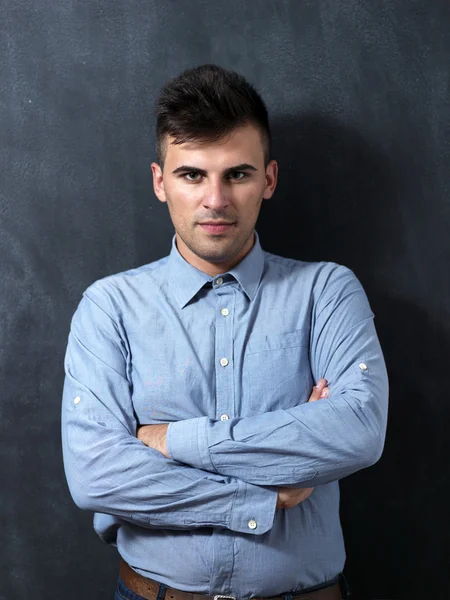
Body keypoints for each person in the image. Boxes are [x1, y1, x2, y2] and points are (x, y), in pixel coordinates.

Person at [61, 63, 389, 600]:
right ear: (160, 182)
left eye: (237, 174)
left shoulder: (327, 292)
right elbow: (98, 476)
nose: (216, 200)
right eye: (192, 174)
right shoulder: (109, 307)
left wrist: (170, 440)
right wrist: (261, 497)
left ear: (270, 178)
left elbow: (357, 430)